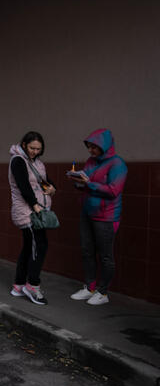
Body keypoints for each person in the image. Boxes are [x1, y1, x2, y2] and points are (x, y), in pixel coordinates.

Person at [68, 128, 127, 305]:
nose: (91, 151)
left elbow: (113, 191)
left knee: (105, 256)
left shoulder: (118, 164)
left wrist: (89, 184)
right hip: (87, 212)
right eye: (89, 147)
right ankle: (90, 287)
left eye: (94, 147)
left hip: (106, 217)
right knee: (87, 251)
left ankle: (103, 292)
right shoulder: (91, 162)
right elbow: (87, 184)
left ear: (105, 146)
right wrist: (78, 183)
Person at [8, 132, 56, 305]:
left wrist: (52, 189)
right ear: (24, 144)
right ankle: (32, 285)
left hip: (37, 209)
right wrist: (35, 206)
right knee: (40, 245)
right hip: (27, 211)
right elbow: (24, 186)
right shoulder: (18, 160)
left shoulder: (37, 163)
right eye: (32, 148)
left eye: (38, 149)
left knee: (29, 247)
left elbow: (44, 181)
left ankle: (19, 285)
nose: (35, 151)